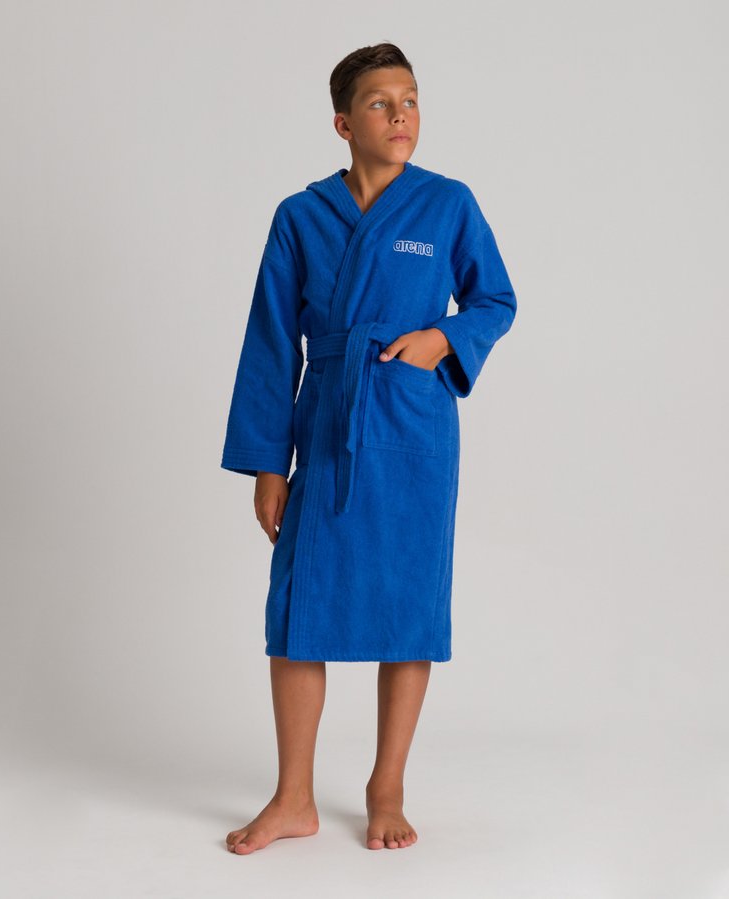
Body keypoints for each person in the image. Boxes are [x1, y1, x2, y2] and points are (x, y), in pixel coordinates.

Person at [221, 42, 517, 853]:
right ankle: (293, 796)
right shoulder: (301, 215)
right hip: (327, 425)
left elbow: (496, 298)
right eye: (382, 104)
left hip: (413, 429)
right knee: (297, 609)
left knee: (408, 607)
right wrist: (267, 465)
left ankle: (387, 785)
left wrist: (442, 339)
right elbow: (271, 344)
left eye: (411, 100)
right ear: (344, 124)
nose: (401, 116)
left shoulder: (448, 204)